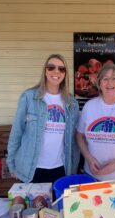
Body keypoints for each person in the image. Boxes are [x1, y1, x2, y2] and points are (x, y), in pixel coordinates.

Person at [7, 54, 80, 183]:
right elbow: (17, 132)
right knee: (34, 203)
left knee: (58, 203)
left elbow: (73, 141)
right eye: (51, 67)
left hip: (61, 168)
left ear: (65, 74)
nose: (56, 72)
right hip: (32, 168)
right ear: (45, 71)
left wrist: (73, 167)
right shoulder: (29, 97)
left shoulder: (71, 103)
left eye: (61, 69)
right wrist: (11, 163)